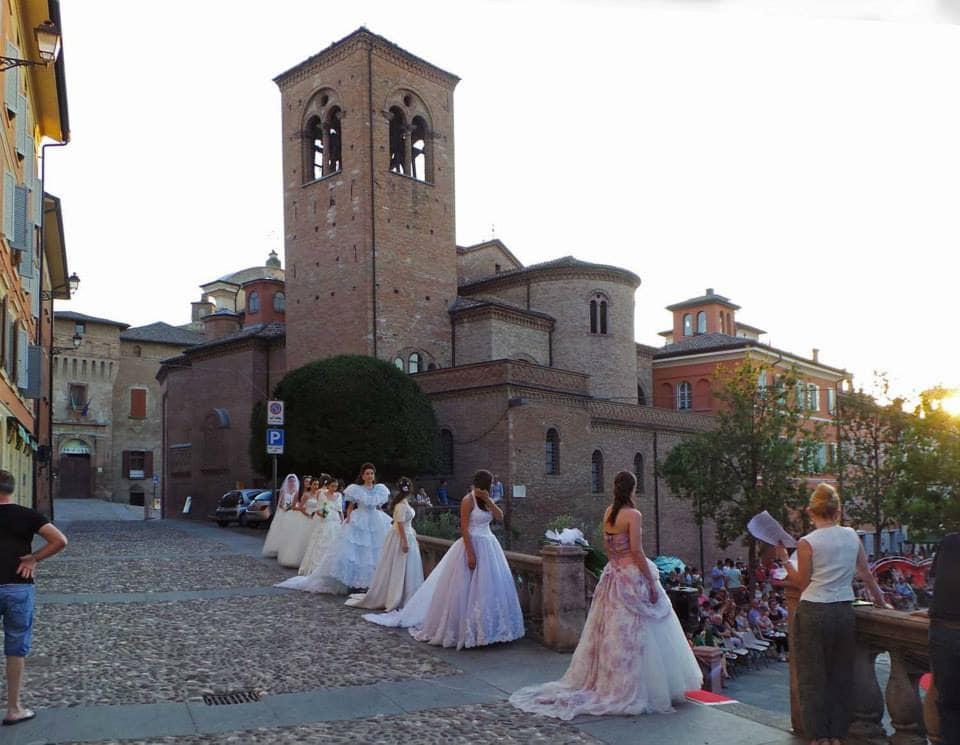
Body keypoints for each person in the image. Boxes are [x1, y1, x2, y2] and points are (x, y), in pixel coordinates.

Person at [509, 471, 701, 720]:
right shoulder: (633, 515)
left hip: (613, 574)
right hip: (631, 574)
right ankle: (642, 686)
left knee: (610, 633)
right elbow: (637, 550)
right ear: (632, 489)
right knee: (639, 633)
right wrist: (652, 582)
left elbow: (608, 548)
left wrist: (617, 568)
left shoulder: (609, 512)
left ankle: (608, 681)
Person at [776, 483, 888, 745]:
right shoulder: (851, 535)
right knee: (840, 675)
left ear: (811, 511)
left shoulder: (807, 542)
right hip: (843, 610)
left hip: (814, 609)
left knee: (811, 676)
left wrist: (783, 559)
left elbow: (803, 582)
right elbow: (866, 574)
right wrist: (882, 602)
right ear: (838, 510)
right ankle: (838, 734)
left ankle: (818, 736)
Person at [364, 469, 525, 649]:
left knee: (489, 588)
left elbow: (500, 517)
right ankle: (466, 630)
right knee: (464, 590)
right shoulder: (467, 500)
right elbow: (464, 528)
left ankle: (491, 630)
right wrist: (470, 554)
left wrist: (488, 499)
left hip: (489, 545)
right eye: (488, 484)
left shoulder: (486, 501)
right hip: (471, 544)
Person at [0, 469, 68, 726]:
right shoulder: (27, 515)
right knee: (16, 648)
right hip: (18, 585)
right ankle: (14, 708)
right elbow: (60, 540)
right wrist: (34, 558)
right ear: (12, 489)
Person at [277, 463, 392, 593]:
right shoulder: (356, 489)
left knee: (374, 551)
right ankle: (356, 582)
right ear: (362, 475)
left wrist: (383, 518)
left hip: (375, 520)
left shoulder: (380, 489)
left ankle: (373, 582)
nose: (370, 476)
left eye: (371, 473)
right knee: (357, 551)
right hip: (360, 518)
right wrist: (348, 519)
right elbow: (350, 507)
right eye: (367, 473)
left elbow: (379, 506)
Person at [346, 477, 423, 611]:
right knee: (398, 565)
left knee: (408, 567)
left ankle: (406, 594)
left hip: (408, 535)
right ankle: (395, 595)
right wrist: (405, 542)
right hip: (401, 537)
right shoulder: (401, 505)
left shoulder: (405, 503)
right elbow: (399, 524)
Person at [929, 532, 960, 745]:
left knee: (948, 706)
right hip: (945, 627)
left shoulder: (949, 541)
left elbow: (941, 580)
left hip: (944, 629)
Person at [298, 475, 343, 575]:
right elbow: (318, 509)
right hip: (325, 520)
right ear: (328, 486)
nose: (334, 488)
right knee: (321, 542)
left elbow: (340, 510)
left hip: (335, 520)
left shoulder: (339, 495)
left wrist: (342, 522)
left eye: (336, 486)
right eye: (332, 486)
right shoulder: (322, 494)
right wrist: (322, 514)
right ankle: (316, 569)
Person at [278, 477, 320, 568]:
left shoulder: (319, 494)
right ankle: (299, 559)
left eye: (317, 484)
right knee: (303, 538)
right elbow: (299, 507)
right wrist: (308, 513)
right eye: (314, 484)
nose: (316, 486)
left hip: (316, 518)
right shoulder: (305, 494)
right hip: (306, 517)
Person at [262, 474, 300, 558]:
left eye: (293, 481)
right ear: (287, 482)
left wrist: (293, 507)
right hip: (284, 512)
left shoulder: (296, 491)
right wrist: (285, 507)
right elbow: (280, 503)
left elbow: (297, 502)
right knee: (281, 530)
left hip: (293, 513)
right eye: (290, 481)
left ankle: (288, 549)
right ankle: (277, 549)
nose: (292, 483)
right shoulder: (283, 491)